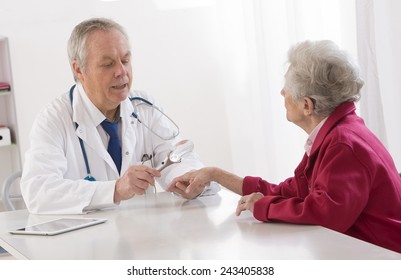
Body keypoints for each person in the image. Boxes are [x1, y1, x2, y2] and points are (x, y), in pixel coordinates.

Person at [168, 40, 401, 254]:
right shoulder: (336, 134)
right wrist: (215, 174)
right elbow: (291, 192)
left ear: (307, 105)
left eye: (287, 88)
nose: (282, 93)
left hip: (381, 257)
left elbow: (326, 214)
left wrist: (263, 207)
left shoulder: (343, 145)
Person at [20, 17, 219, 214]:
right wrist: (115, 189)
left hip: (142, 236)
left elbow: (175, 157)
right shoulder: (54, 119)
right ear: (78, 69)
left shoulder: (144, 107)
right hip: (84, 240)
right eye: (108, 64)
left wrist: (187, 180)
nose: (121, 71)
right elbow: (38, 192)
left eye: (125, 60)